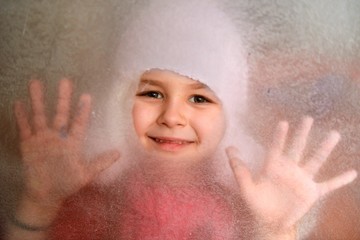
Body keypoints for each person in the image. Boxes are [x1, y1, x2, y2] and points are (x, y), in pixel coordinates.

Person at [4, 1, 357, 239]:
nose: (172, 116)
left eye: (200, 98)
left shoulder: (248, 200)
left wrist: (278, 228)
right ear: (120, 103)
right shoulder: (98, 198)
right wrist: (40, 202)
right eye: (152, 93)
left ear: (229, 117)